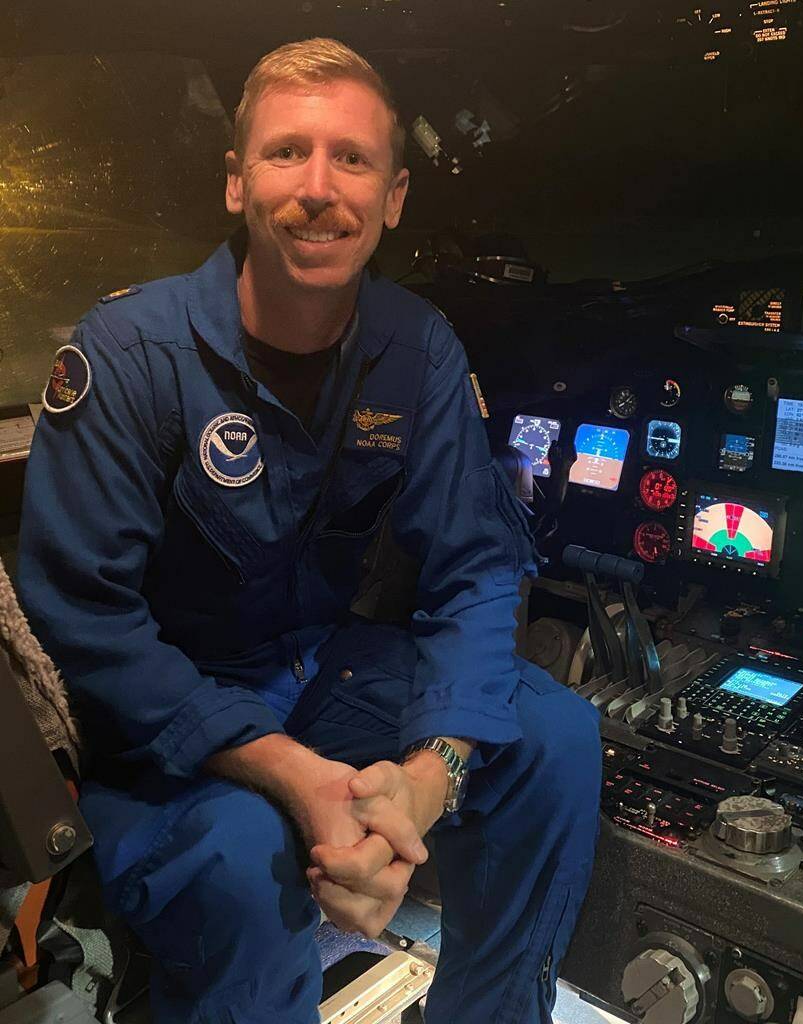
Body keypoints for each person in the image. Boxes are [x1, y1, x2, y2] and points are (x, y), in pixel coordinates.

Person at [17, 37, 601, 1024]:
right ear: (238, 182)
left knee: (555, 734)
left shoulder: (415, 345)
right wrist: (297, 776)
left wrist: (429, 772)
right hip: (175, 717)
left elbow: (478, 563)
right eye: (288, 153)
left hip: (327, 672)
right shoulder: (129, 354)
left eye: (353, 159)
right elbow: (88, 615)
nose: (319, 189)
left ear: (396, 194)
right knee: (245, 867)